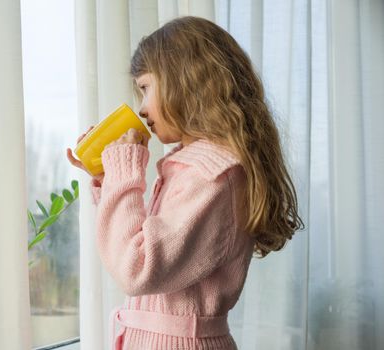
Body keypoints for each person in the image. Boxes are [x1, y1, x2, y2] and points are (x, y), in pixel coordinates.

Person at [66, 16, 304, 350]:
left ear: (187, 80)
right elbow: (147, 241)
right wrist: (110, 180)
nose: (142, 109)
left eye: (146, 88)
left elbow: (137, 267)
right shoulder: (194, 169)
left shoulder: (213, 177)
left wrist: (124, 174)